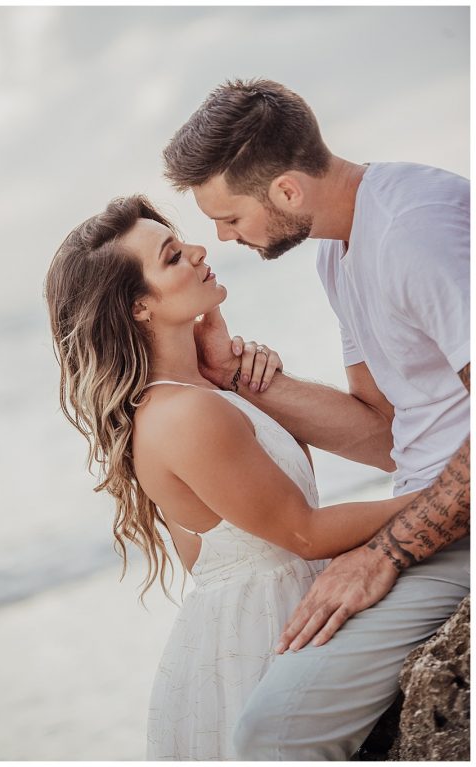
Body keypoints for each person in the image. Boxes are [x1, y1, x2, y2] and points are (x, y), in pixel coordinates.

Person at [45, 194, 420, 759]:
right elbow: (306, 531)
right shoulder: (184, 414)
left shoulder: (199, 395)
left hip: (263, 619)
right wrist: (445, 495)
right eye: (172, 256)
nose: (198, 250)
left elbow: (227, 544)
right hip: (263, 637)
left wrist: (243, 380)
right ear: (139, 308)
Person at [162, 78, 469, 759]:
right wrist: (235, 377)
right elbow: (387, 430)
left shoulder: (415, 229)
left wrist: (387, 552)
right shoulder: (339, 247)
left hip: (457, 528)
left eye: (230, 217)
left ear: (288, 192)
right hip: (434, 513)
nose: (218, 237)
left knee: (273, 731)